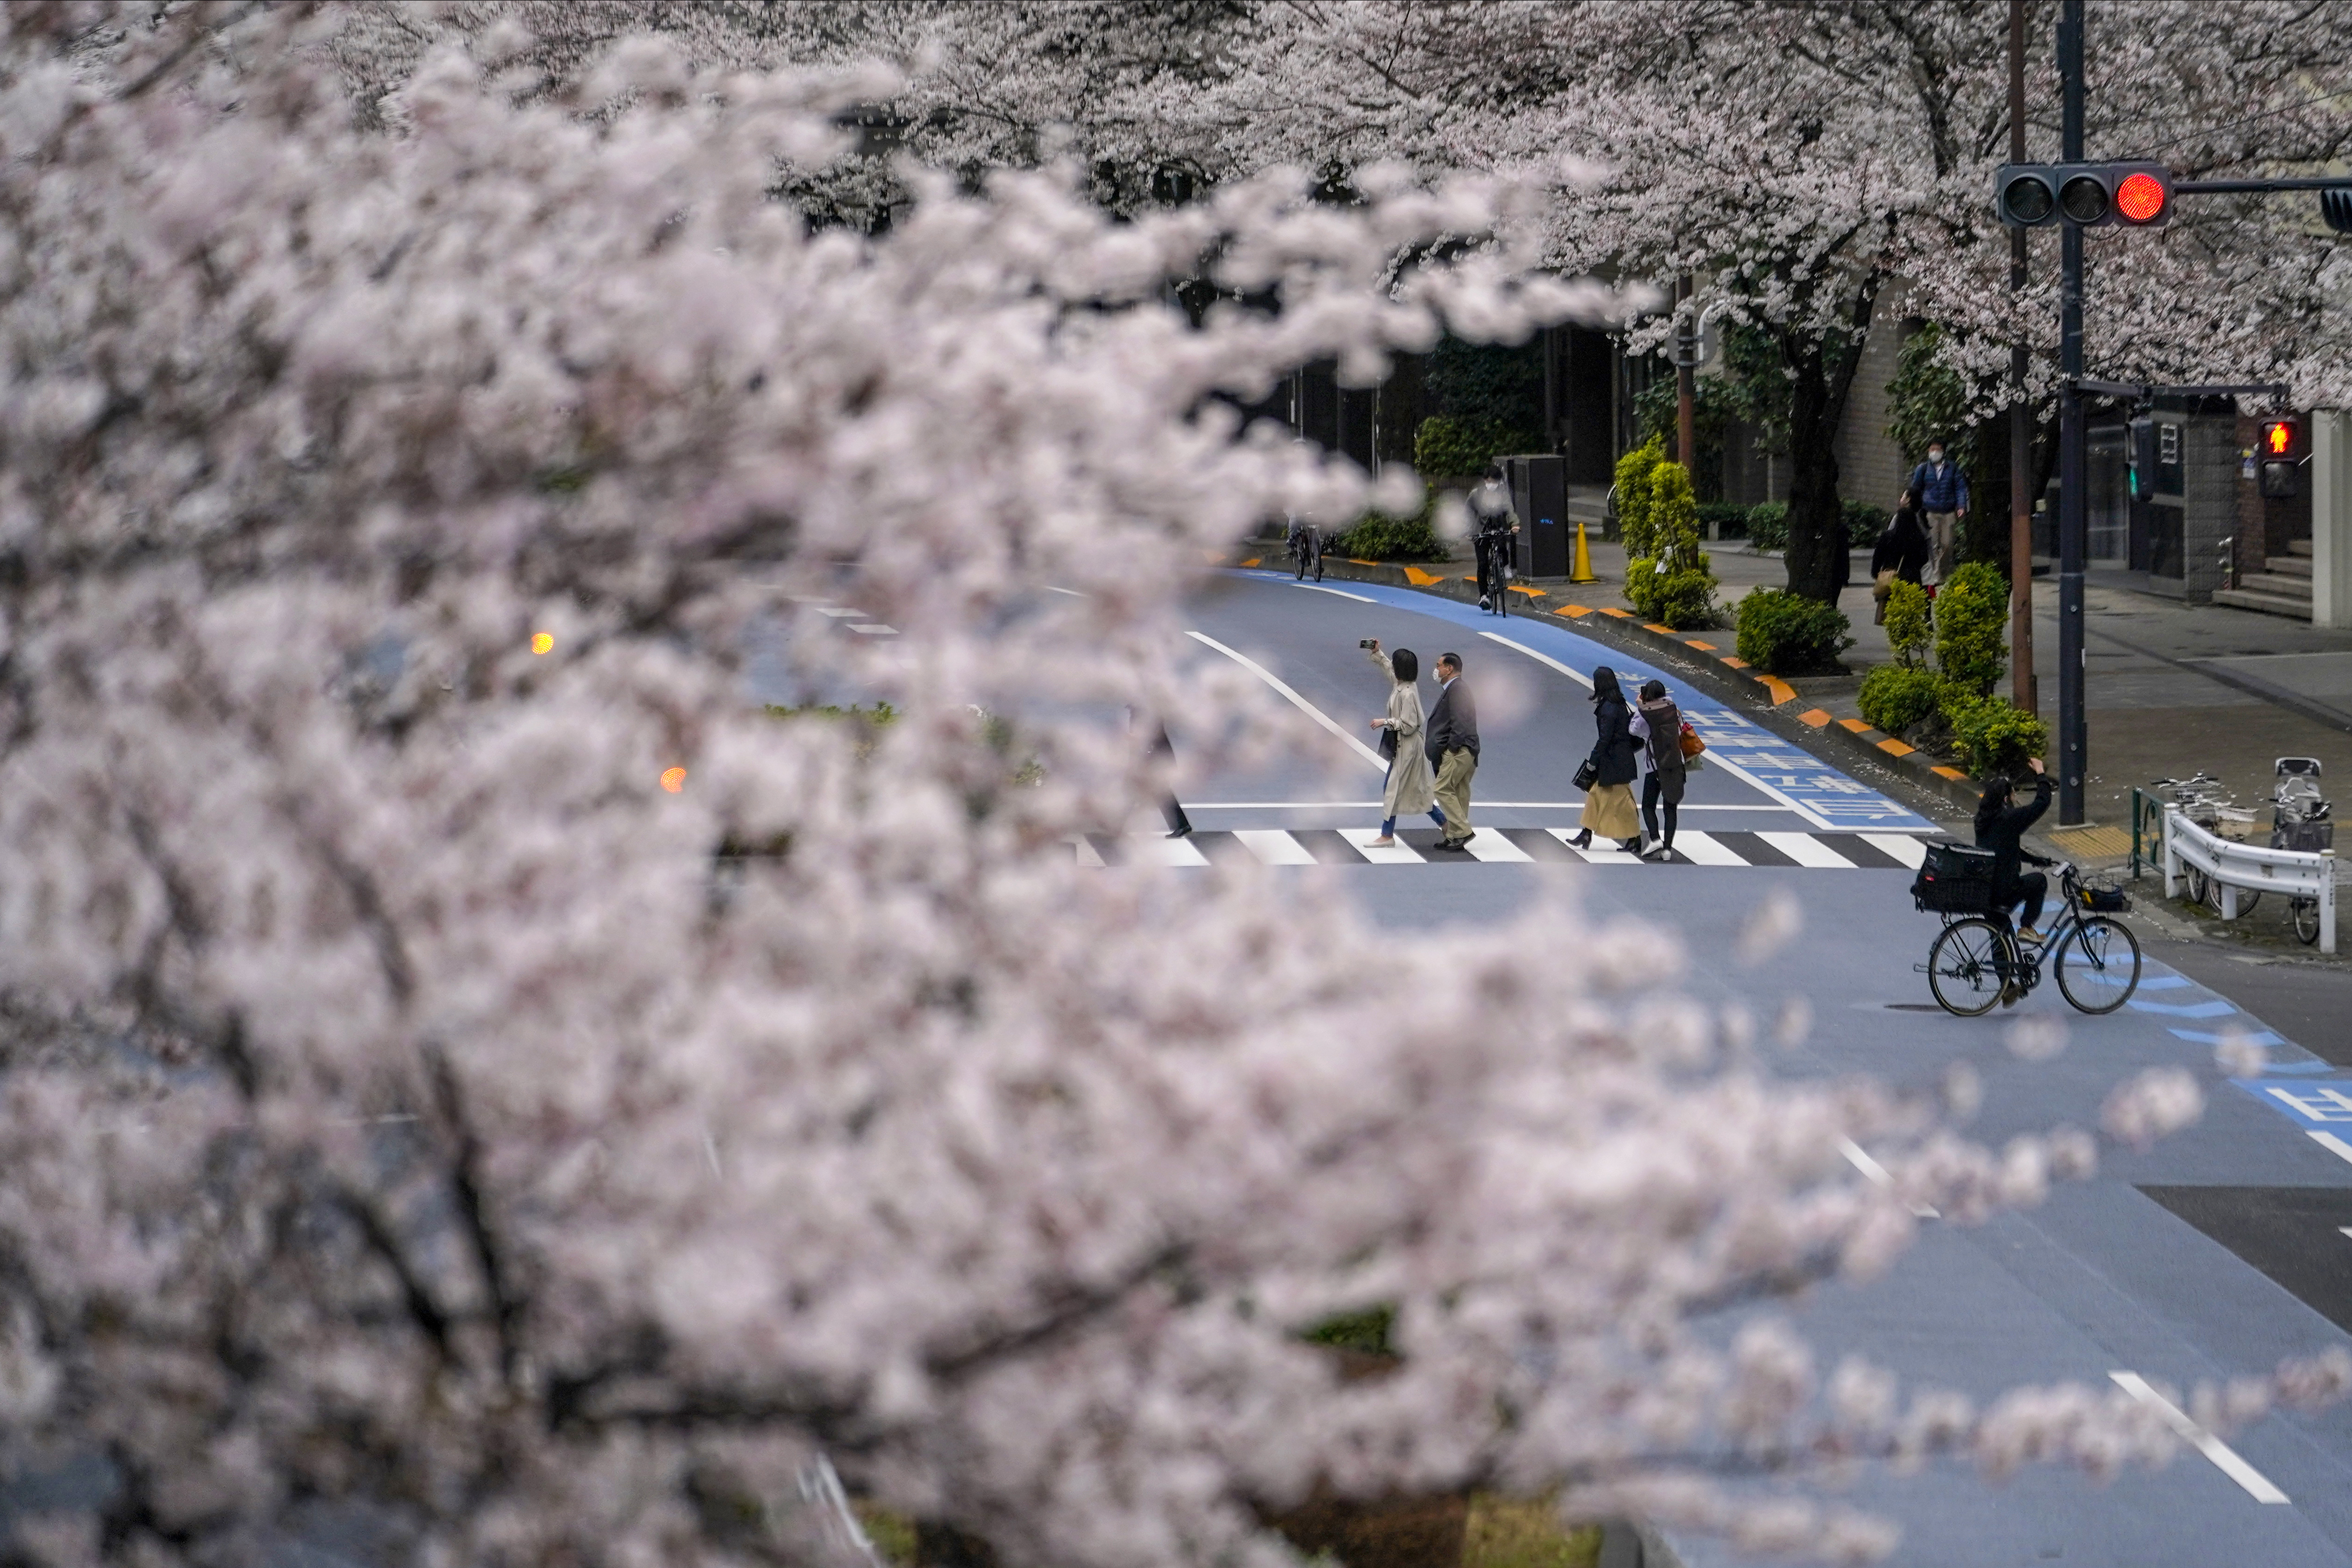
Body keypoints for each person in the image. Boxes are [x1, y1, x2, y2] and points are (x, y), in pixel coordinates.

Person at [1975, 757, 2055, 1002]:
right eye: (2013, 793)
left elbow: (2006, 847)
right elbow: (2041, 805)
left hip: (1986, 889)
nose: (2015, 797)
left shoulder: (1983, 820)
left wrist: (2035, 859)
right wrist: (2040, 775)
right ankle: (2027, 926)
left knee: (1998, 934)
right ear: (2006, 799)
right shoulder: (2008, 820)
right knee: (2039, 883)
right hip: (2005, 889)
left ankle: (2007, 986)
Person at [1363, 639, 1445, 847]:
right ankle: (1445, 824)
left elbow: (1409, 725)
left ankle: (1387, 835)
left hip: (1408, 749)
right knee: (1417, 791)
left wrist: (1386, 722)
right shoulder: (1405, 685)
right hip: (1405, 749)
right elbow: (1389, 670)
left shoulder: (1407, 694)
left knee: (1392, 788)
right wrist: (1378, 653)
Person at [1567, 664, 1641, 853]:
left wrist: (1593, 760)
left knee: (1622, 800)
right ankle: (1586, 832)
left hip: (1614, 760)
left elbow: (1605, 738)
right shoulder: (1619, 703)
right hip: (1619, 758)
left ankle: (1635, 837)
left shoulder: (1608, 707)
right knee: (1596, 794)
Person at [1627, 677, 1686, 861]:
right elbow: (1682, 728)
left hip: (1655, 766)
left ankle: (1655, 838)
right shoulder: (1672, 709)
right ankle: (1668, 849)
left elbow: (1633, 730)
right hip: (1677, 763)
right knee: (1671, 806)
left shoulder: (1646, 715)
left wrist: (1640, 708)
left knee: (1648, 805)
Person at [1425, 651, 1479, 851]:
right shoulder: (1456, 689)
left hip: (1460, 751)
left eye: (1439, 665)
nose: (1436, 669)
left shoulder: (1457, 690)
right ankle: (1455, 836)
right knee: (1460, 792)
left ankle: (1463, 831)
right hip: (1467, 749)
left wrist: (1452, 749)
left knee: (1442, 788)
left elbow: (1461, 721)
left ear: (1449, 669)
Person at [1906, 440, 1970, 584]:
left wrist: (1961, 506)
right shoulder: (1923, 469)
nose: (1934, 452)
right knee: (1933, 545)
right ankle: (1936, 576)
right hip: (1930, 512)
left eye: (1937, 449)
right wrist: (1913, 506)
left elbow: (1960, 488)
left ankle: (1944, 571)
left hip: (1948, 512)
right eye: (1932, 449)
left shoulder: (1952, 468)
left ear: (1943, 451)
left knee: (1947, 544)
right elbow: (1916, 489)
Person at [1869, 501, 1931, 624]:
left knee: (1891, 607)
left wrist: (1876, 573)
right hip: (1912, 576)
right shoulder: (1918, 537)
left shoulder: (1888, 536)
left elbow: (1878, 557)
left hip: (1891, 576)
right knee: (1910, 608)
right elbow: (1924, 558)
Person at [1468, 464, 1519, 611]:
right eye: (1490, 481)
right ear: (1485, 480)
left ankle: (1503, 568)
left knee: (1503, 550)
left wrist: (1515, 524)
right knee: (1483, 564)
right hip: (1481, 531)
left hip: (1498, 529)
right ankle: (1484, 596)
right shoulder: (1477, 494)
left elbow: (1509, 510)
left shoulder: (1503, 494)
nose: (1493, 485)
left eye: (1496, 482)